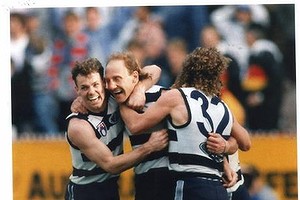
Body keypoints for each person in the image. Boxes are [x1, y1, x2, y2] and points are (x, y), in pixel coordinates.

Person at [120, 47, 250, 200]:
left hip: (191, 184)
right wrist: (226, 149)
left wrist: (121, 98)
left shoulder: (177, 97)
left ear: (186, 70)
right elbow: (246, 143)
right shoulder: (221, 105)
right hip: (221, 186)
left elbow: (135, 126)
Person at [65, 57, 168, 200]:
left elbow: (155, 69)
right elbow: (111, 165)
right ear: (77, 90)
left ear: (104, 83)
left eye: (95, 84)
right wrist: (149, 147)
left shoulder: (115, 97)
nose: (91, 92)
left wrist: (140, 89)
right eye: (84, 87)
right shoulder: (78, 126)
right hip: (85, 191)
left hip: (111, 187)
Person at [105, 52, 174, 200]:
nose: (111, 86)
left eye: (117, 78)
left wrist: (140, 88)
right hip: (145, 179)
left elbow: (155, 68)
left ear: (135, 77)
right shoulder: (118, 97)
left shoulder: (164, 95)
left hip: (167, 175)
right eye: (107, 80)